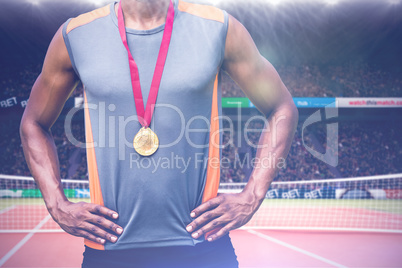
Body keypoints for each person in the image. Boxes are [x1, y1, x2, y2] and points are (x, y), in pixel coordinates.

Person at [20, 0, 298, 267]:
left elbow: (281, 107)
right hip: (109, 249)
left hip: (203, 248)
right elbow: (33, 122)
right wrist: (57, 204)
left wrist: (252, 196)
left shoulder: (219, 28)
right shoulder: (76, 35)